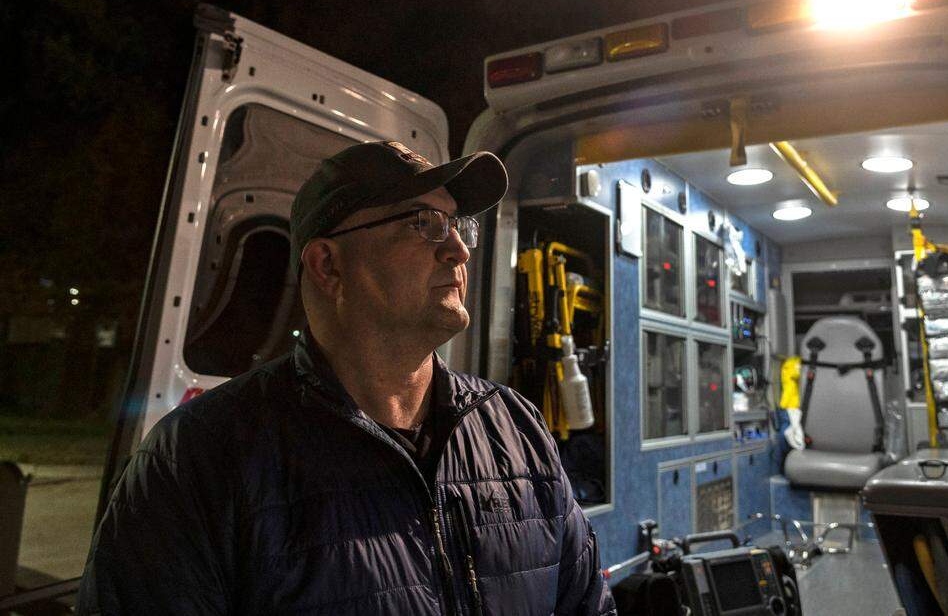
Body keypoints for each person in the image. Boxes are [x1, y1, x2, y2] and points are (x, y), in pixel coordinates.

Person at [78, 140, 616, 615]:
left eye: (458, 226)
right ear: (327, 265)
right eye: (423, 223)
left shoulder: (514, 429)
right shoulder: (199, 459)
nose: (458, 249)